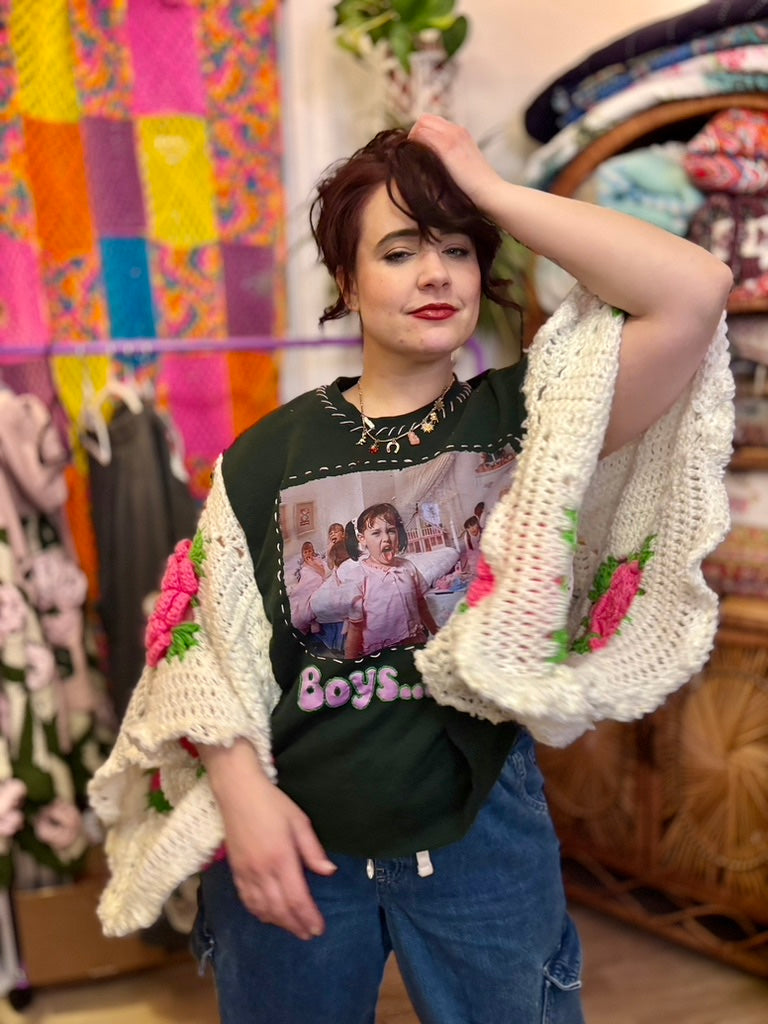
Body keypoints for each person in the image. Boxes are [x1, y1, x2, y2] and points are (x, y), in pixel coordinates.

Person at [88, 115, 731, 1024]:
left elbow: (696, 290)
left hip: (481, 837)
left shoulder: (538, 422)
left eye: (457, 249)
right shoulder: (266, 456)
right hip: (293, 837)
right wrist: (241, 794)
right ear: (348, 283)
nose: (436, 274)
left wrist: (490, 188)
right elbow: (199, 649)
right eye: (399, 251)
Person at [340, 502, 439, 658]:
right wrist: (349, 664)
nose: (386, 538)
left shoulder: (408, 567)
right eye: (376, 533)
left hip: (415, 645)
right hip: (382, 655)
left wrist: (436, 632)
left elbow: (421, 605)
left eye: (391, 531)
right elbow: (355, 628)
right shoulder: (357, 578)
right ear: (362, 539)